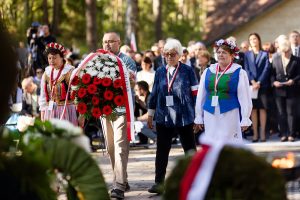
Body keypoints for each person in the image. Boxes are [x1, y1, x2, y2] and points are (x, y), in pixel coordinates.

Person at [147, 38, 198, 194]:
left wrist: (198, 117)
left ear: (180, 55)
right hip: (164, 116)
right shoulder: (160, 71)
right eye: (166, 54)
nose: (169, 57)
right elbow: (154, 93)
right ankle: (159, 183)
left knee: (189, 149)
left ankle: (196, 181)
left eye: (173, 54)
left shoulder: (188, 71)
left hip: (185, 116)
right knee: (162, 150)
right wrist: (150, 114)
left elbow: (196, 94)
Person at [194, 39, 252, 144]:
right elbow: (201, 95)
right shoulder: (208, 71)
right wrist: (199, 115)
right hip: (210, 113)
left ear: (232, 55)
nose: (221, 55)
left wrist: (245, 117)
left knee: (228, 143)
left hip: (229, 112)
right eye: (219, 52)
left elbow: (244, 96)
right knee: (211, 142)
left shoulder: (238, 72)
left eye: (224, 52)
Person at [101, 32, 136, 199]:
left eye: (111, 42)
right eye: (105, 42)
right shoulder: (99, 60)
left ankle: (119, 185)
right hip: (104, 110)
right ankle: (123, 179)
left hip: (122, 109)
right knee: (110, 147)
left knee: (120, 145)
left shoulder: (126, 60)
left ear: (118, 42)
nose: (108, 45)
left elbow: (133, 81)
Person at [39, 42, 78, 125]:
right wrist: (43, 112)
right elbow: (43, 94)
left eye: (54, 58)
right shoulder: (46, 73)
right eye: (49, 58)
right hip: (50, 110)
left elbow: (78, 93)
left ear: (62, 57)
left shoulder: (70, 71)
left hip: (67, 110)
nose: (51, 61)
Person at [271, 36, 300, 142]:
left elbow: (299, 74)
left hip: (292, 90)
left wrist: (293, 80)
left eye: (287, 51)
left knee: (291, 113)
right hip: (279, 91)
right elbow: (271, 74)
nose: (285, 54)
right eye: (283, 52)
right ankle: (283, 134)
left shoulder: (296, 60)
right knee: (281, 112)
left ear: (290, 50)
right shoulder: (275, 59)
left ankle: (291, 134)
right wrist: (274, 82)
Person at [244, 33, 271, 142]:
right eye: (251, 39)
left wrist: (259, 82)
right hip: (252, 86)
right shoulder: (247, 54)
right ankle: (255, 134)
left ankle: (262, 134)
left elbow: (266, 69)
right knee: (253, 110)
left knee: (262, 109)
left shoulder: (265, 54)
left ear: (259, 40)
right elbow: (246, 69)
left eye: (255, 38)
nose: (253, 40)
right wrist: (253, 82)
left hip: (262, 85)